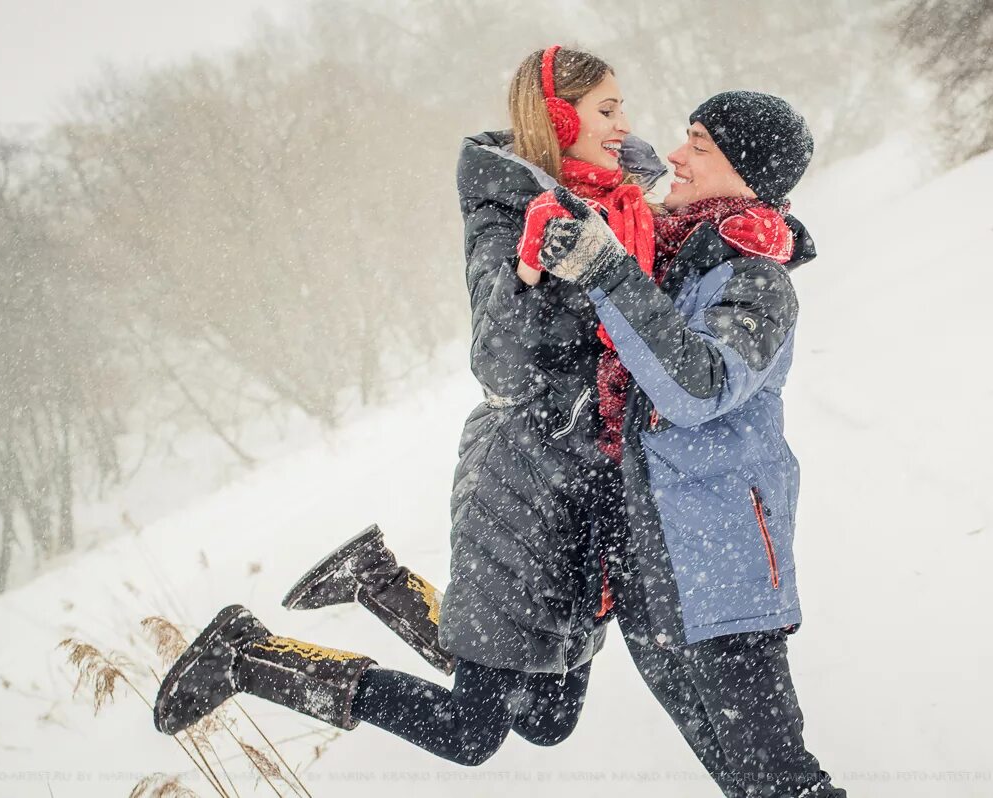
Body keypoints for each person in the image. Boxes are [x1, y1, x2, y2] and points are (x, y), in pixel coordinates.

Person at [153, 46, 662, 767]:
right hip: (526, 487)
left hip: (591, 488)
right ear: (557, 114)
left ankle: (378, 581)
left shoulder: (625, 203)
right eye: (607, 109)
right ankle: (248, 655)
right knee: (470, 732)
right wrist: (529, 268)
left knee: (547, 718)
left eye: (622, 109)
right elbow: (501, 362)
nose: (624, 124)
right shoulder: (506, 211)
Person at [533, 90, 845, 797]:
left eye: (698, 146)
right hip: (651, 568)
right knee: (741, 782)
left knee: (778, 783)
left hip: (722, 562)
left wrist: (610, 269)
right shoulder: (683, 258)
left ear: (745, 168)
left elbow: (699, 386)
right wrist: (627, 202)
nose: (676, 154)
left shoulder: (756, 279)